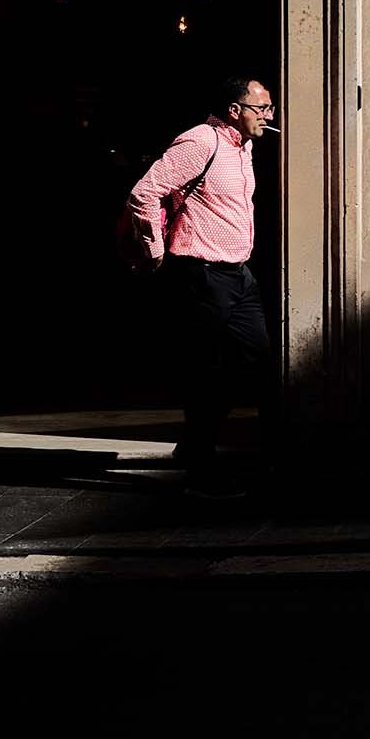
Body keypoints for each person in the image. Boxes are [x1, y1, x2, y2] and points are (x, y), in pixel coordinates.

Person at [128, 74, 276, 496]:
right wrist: (155, 250)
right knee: (210, 368)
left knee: (262, 363)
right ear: (236, 110)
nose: (269, 116)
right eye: (261, 108)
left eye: (269, 109)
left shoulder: (245, 147)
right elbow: (145, 192)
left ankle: (266, 455)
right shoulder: (201, 142)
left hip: (238, 273)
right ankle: (199, 458)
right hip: (202, 272)